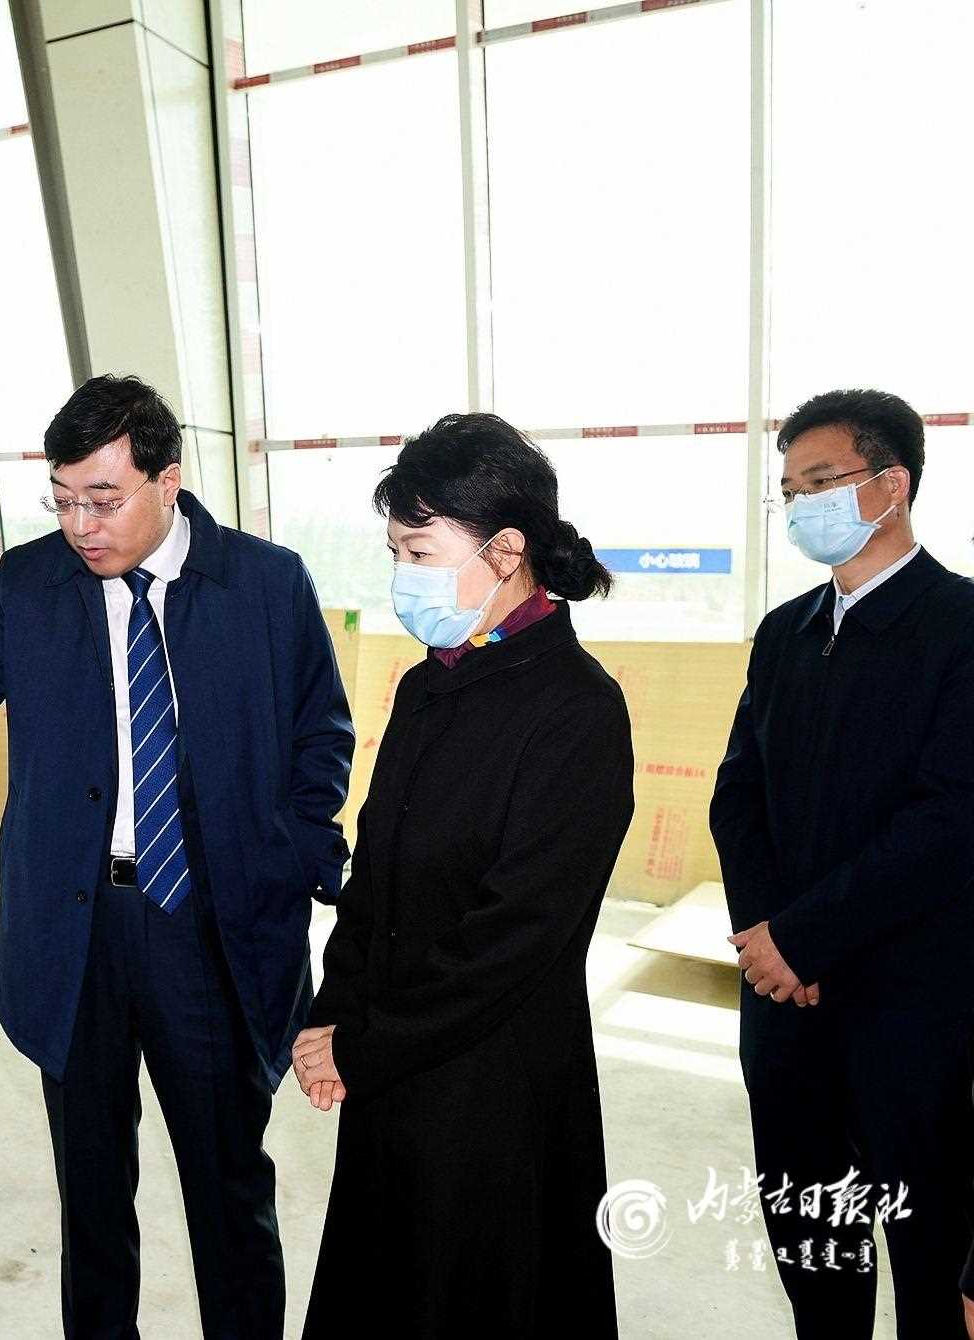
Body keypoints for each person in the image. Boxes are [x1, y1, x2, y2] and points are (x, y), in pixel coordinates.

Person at [0, 373, 355, 1336]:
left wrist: (282, 856)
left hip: (210, 928)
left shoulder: (266, 584)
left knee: (229, 1193)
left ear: (168, 480)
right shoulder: (31, 587)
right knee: (90, 1198)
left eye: (103, 499)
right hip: (76, 931)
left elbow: (321, 738)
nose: (81, 526)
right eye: (62, 500)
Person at [289, 412, 633, 1337]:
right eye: (396, 552)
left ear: (506, 550)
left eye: (420, 552)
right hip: (390, 1059)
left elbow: (514, 936)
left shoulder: (579, 711)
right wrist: (334, 1010)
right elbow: (375, 869)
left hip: (494, 1086)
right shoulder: (429, 682)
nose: (404, 575)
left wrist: (367, 1043)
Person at [709, 387, 974, 1338]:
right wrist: (769, 937)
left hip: (913, 1008)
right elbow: (736, 794)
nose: (801, 505)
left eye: (822, 481)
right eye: (790, 490)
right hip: (786, 1004)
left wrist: (808, 938)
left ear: (891, 485)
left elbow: (949, 820)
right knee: (812, 1245)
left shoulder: (959, 626)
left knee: (930, 1254)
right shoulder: (785, 633)